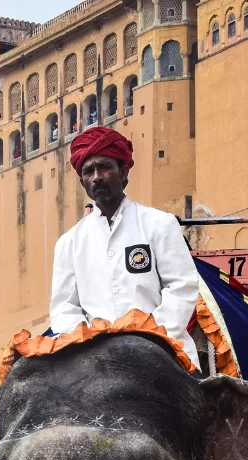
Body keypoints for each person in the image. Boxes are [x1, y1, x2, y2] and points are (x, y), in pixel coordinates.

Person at [50, 126, 201, 366]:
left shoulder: (159, 224)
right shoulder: (69, 243)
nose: (97, 176)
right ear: (82, 182)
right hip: (95, 359)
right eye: (89, 171)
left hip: (162, 350)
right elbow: (64, 309)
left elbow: (181, 287)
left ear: (123, 171)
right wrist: (92, 343)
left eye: (104, 167)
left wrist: (147, 336)